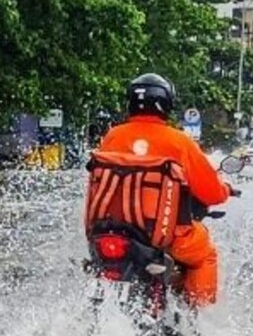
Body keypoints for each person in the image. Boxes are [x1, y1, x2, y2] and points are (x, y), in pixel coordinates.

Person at [83, 74, 231, 307]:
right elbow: (212, 194)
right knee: (205, 255)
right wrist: (225, 190)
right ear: (166, 104)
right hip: (163, 236)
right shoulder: (179, 141)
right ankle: (198, 315)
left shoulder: (112, 136)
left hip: (109, 232)